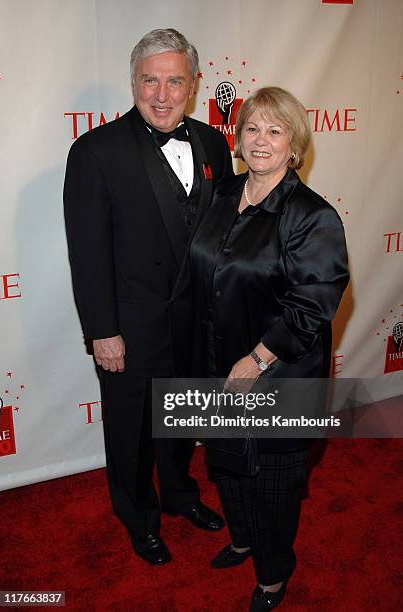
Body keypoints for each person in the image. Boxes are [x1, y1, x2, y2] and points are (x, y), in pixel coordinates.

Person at [64, 28, 233, 566]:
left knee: (183, 421)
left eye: (174, 81)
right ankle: (139, 518)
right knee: (133, 432)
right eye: (149, 80)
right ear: (133, 82)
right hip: (130, 327)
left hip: (195, 321)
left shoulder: (212, 142)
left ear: (193, 84)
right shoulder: (95, 151)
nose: (161, 94)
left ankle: (181, 495)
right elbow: (87, 254)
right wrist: (102, 332)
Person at [190, 87, 349, 610]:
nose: (262, 140)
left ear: (294, 145)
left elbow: (312, 303)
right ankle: (242, 538)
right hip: (218, 361)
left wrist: (255, 360)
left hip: (279, 373)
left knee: (274, 481)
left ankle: (275, 573)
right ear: (238, 138)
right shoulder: (222, 195)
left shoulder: (311, 215)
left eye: (275, 131)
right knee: (226, 463)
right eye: (253, 128)